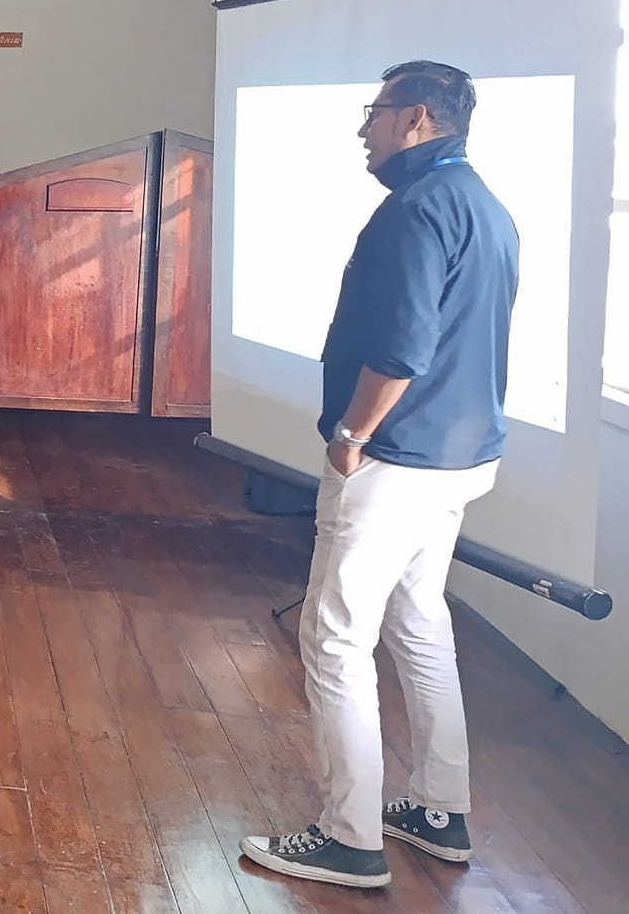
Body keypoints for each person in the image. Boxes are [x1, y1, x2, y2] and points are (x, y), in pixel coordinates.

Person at [241, 62, 518, 889]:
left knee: (334, 635)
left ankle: (350, 837)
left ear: (417, 118)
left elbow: (401, 350)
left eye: (375, 112)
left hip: (395, 460)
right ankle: (438, 810)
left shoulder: (417, 208)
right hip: (460, 458)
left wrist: (354, 433)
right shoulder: (486, 206)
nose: (364, 129)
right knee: (418, 619)